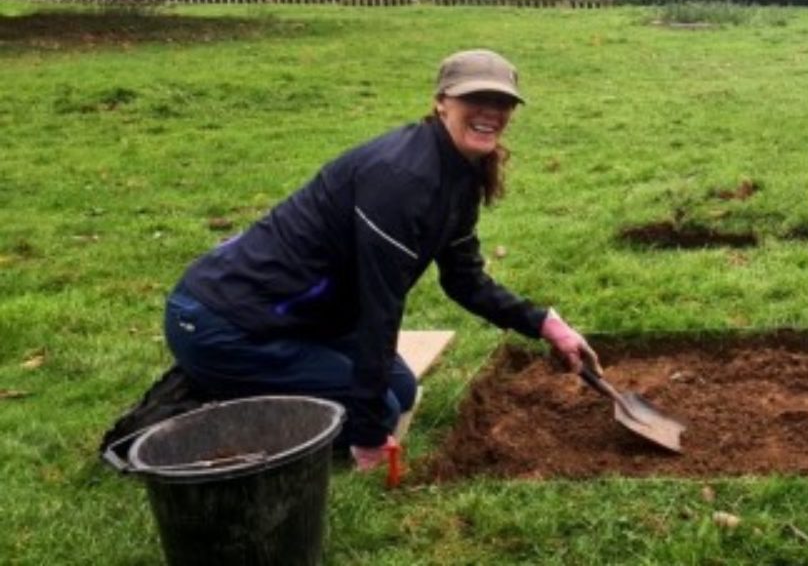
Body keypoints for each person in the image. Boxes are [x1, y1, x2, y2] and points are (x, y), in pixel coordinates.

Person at [163, 49, 600, 470]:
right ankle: (201, 403)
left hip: (303, 320)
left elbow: (463, 279)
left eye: (502, 102)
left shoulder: (461, 174)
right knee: (378, 412)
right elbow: (380, 306)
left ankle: (255, 384)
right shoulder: (401, 177)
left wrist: (546, 324)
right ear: (441, 102)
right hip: (224, 322)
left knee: (401, 390)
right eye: (474, 98)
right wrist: (368, 435)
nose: (490, 111)